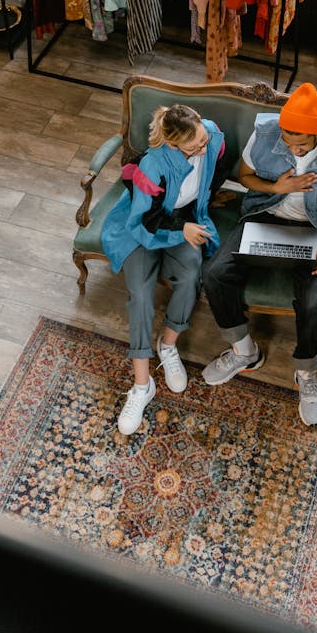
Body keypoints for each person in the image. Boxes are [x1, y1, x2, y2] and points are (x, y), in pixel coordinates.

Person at [201, 82, 317, 426]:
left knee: (311, 299)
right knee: (215, 274)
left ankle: (305, 372)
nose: (291, 146)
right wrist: (276, 187)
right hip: (265, 215)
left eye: (300, 143)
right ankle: (245, 351)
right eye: (287, 141)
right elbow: (245, 176)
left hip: (314, 230)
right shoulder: (266, 132)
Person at [101, 103, 228, 436]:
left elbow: (217, 164)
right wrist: (180, 231)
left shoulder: (212, 136)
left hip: (185, 222)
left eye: (202, 140)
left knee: (190, 274)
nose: (203, 149)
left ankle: (168, 344)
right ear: (173, 145)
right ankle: (142, 386)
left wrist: (199, 214)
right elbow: (143, 221)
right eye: (194, 147)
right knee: (141, 293)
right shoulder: (152, 165)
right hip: (144, 228)